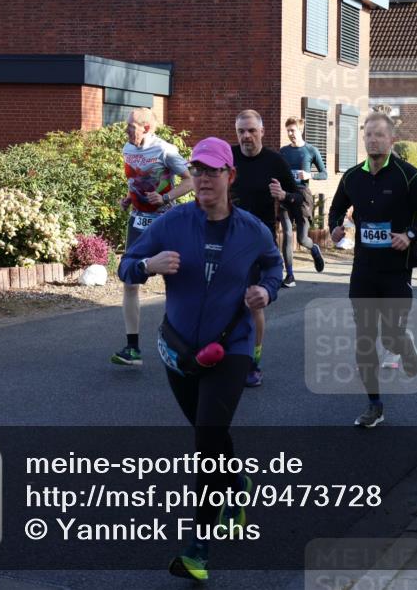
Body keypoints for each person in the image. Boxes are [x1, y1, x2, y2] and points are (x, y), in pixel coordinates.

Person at [118, 137, 282, 581]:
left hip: (231, 348)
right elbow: (126, 266)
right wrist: (149, 265)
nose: (205, 178)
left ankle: (198, 548)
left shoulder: (252, 230)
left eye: (213, 171)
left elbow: (274, 267)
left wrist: (266, 290)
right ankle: (237, 484)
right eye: (198, 171)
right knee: (210, 433)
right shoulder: (172, 224)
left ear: (230, 176)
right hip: (180, 351)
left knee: (207, 440)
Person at [329, 112, 417, 428]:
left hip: (396, 270)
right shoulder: (352, 177)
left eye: (380, 135)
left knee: (390, 337)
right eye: (369, 135)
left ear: (391, 140)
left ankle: (404, 347)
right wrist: (336, 227)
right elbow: (336, 208)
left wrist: (410, 235)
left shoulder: (408, 176)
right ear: (363, 140)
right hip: (363, 269)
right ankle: (374, 405)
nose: (373, 139)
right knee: (364, 339)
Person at [111, 108, 194, 367]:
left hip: (164, 222)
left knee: (176, 281)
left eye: (130, 126)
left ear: (146, 127)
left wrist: (166, 197)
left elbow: (190, 181)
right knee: (129, 279)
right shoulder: (128, 148)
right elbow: (136, 181)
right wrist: (129, 198)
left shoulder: (165, 150)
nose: (125, 131)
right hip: (138, 220)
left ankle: (183, 345)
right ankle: (132, 348)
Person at [231, 109, 303, 387]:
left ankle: (253, 361)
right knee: (223, 300)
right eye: (241, 131)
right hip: (227, 240)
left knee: (252, 302)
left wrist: (284, 195)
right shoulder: (229, 157)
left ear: (261, 131)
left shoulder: (275, 161)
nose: (246, 136)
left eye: (251, 130)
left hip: (259, 243)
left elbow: (299, 197)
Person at [278, 116, 327, 287]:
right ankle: (290, 275)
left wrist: (309, 175)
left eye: (293, 130)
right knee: (287, 236)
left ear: (301, 130)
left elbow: (324, 173)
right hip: (285, 194)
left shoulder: (310, 150)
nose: (290, 134)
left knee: (302, 238)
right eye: (288, 131)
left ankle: (314, 249)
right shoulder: (283, 151)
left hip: (302, 196)